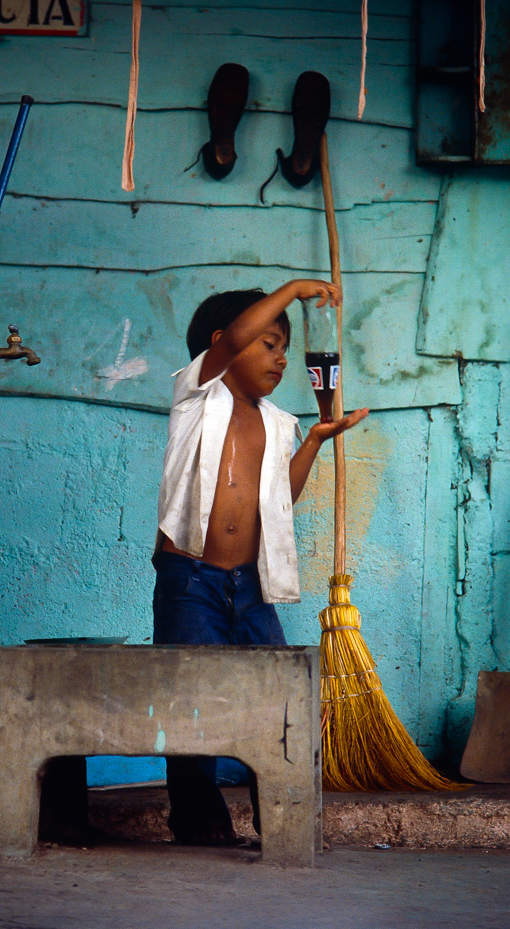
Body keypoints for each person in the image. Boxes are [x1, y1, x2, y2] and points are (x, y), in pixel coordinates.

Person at [152, 279, 368, 846]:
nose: (279, 356)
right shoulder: (197, 392)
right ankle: (199, 826)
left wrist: (316, 441)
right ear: (224, 345)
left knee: (278, 702)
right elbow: (239, 333)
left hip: (250, 586)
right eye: (267, 343)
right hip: (191, 580)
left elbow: (279, 500)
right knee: (191, 701)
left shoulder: (277, 421)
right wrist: (294, 289)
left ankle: (282, 824)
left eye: (283, 347)